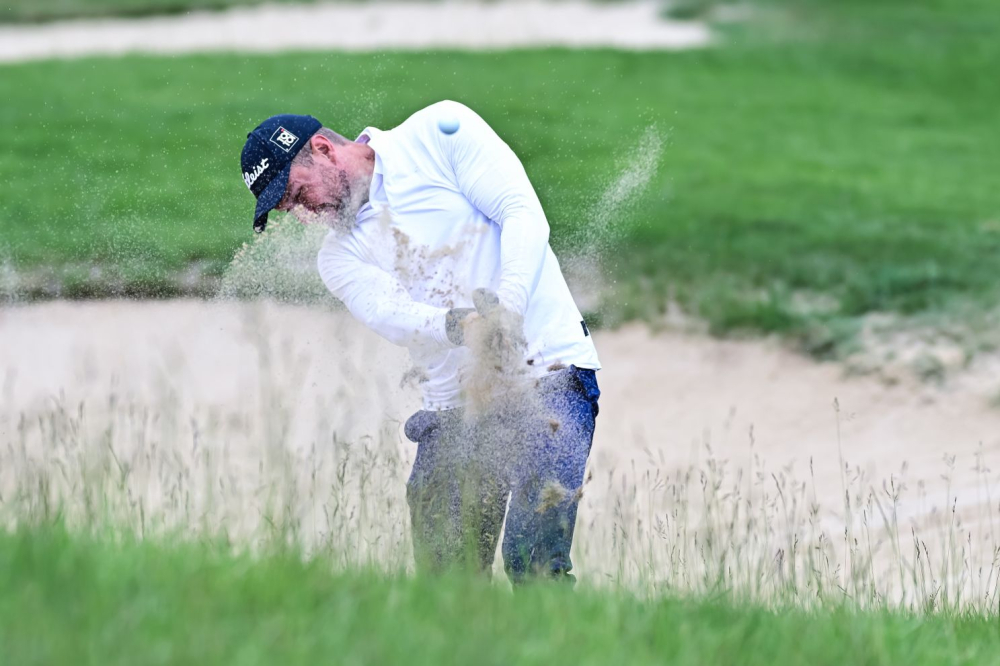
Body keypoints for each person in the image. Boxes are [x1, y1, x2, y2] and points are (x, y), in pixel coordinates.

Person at [239, 101, 601, 583]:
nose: (305, 216)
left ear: (323, 150)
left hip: (550, 374)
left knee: (532, 562)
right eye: (291, 211)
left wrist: (507, 308)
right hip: (454, 409)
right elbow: (392, 314)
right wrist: (463, 326)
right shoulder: (339, 257)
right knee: (446, 582)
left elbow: (522, 214)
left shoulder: (439, 132)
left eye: (299, 195)